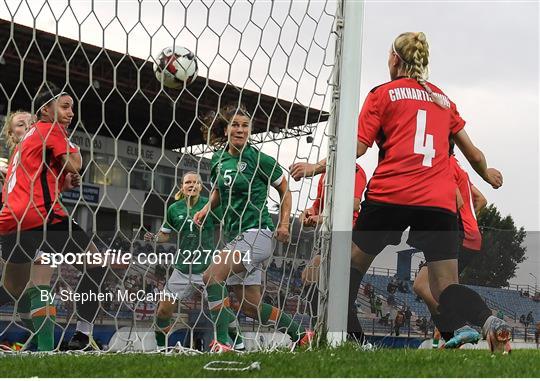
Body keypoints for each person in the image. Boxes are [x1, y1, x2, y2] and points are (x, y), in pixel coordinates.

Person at [290, 32, 510, 353]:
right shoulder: (443, 100)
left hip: (390, 196)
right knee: (446, 285)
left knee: (349, 269)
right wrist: (487, 175)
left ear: (394, 59)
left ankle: (353, 342)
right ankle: (490, 321)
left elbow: (359, 146)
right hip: (437, 203)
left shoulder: (383, 94)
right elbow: (474, 154)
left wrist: (317, 167)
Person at [194, 104, 313, 351]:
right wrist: (206, 209)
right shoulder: (217, 160)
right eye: (235, 125)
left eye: (244, 125)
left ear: (250, 130)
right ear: (225, 129)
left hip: (257, 234)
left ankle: (223, 343)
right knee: (251, 306)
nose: (240, 129)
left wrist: (283, 223)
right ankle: (301, 335)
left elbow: (285, 191)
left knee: (211, 277)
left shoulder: (259, 159)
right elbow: (217, 192)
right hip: (235, 237)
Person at [0, 85, 106, 351]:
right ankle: (82, 336)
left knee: (13, 288)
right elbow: (76, 164)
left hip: (12, 220)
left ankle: (42, 342)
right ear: (45, 110)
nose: (71, 112)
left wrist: (62, 183)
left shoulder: (21, 148)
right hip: (42, 216)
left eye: (72, 107)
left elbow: (33, 185)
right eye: (65, 106)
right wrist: (73, 152)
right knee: (95, 265)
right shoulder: (50, 129)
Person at [144, 171, 244, 351]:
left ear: (200, 186)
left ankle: (239, 342)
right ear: (182, 187)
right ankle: (161, 348)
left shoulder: (210, 204)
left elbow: (227, 222)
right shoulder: (174, 208)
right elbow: (165, 236)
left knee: (222, 312)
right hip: (182, 268)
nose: (192, 185)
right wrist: (154, 238)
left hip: (208, 269)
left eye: (196, 182)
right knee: (163, 310)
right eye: (188, 182)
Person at [413, 145, 489, 347]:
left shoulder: (443, 164)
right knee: (425, 286)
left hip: (458, 236)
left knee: (435, 289)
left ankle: (471, 325)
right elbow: (481, 199)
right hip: (468, 235)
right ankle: (458, 336)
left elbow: (455, 200)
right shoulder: (455, 165)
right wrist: (471, 222)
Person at [299, 163, 367, 341]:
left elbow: (354, 204)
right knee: (310, 278)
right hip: (329, 235)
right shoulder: (325, 173)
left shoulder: (355, 170)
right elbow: (318, 204)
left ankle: (357, 341)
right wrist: (309, 212)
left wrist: (321, 218)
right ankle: (324, 334)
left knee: (339, 295)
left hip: (348, 234)